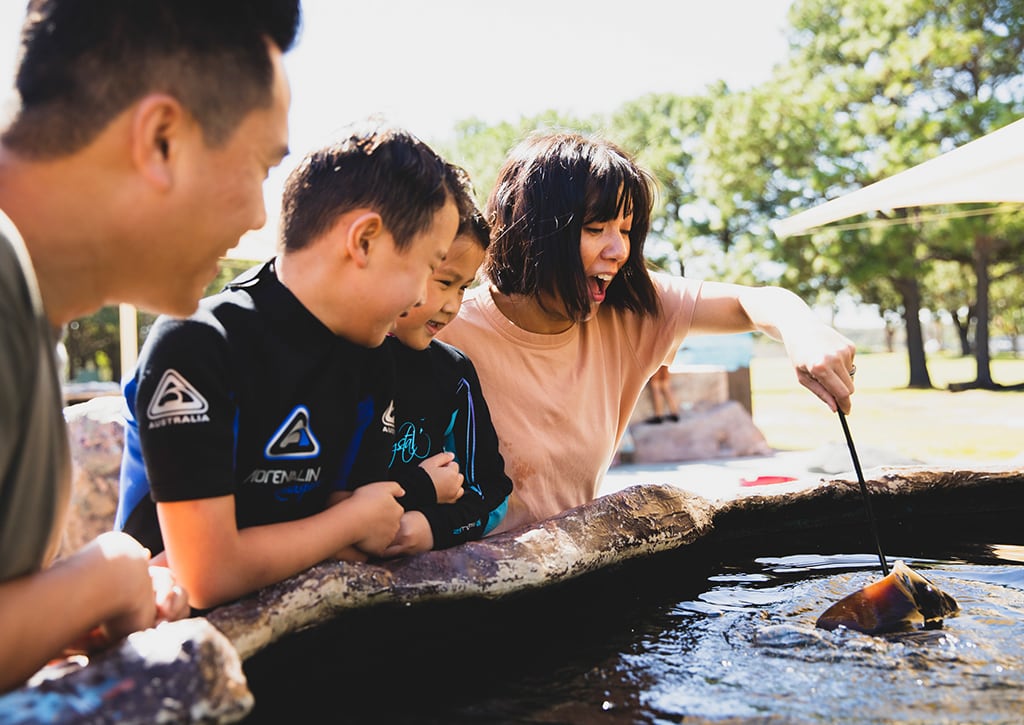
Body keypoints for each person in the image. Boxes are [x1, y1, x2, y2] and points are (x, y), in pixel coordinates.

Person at [0, 0, 301, 693]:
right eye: (260, 166)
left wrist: (64, 607)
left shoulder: (34, 318)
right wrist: (102, 574)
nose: (261, 215)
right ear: (162, 139)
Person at [115, 121, 461, 611]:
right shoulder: (196, 343)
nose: (422, 297)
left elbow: (369, 536)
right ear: (363, 240)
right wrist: (343, 526)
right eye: (429, 265)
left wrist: (339, 530)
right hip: (167, 636)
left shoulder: (373, 357)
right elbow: (206, 575)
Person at [437, 131, 857, 534]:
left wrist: (804, 330)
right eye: (595, 228)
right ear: (534, 230)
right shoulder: (442, 328)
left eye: (626, 229)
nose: (618, 250)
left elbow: (757, 301)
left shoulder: (629, 309)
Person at [380, 179, 513, 556]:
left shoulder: (452, 373)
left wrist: (430, 528)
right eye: (444, 281)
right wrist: (420, 489)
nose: (453, 305)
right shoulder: (331, 359)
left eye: (463, 288)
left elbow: (490, 491)